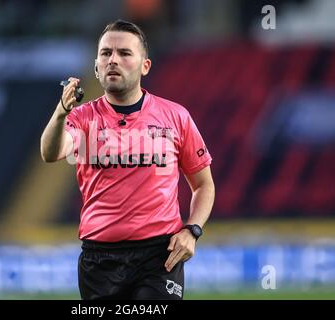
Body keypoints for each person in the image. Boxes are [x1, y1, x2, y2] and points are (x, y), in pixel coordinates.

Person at [40, 19, 215, 300]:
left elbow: (203, 185)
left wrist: (192, 230)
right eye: (106, 53)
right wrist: (61, 111)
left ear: (145, 66)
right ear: (96, 65)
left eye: (124, 53)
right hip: (100, 260)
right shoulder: (82, 118)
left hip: (159, 256)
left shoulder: (176, 117)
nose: (113, 60)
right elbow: (50, 153)